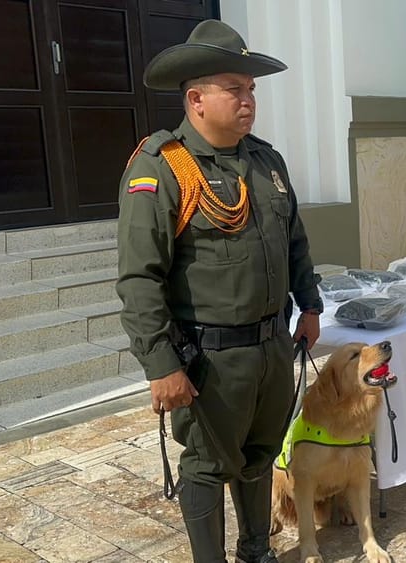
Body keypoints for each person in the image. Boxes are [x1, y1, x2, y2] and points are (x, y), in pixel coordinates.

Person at [115, 20, 323, 563]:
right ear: (196, 98)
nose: (248, 98)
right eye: (235, 88)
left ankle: (256, 550)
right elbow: (140, 278)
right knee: (208, 463)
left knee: (259, 454)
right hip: (211, 357)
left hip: (273, 345)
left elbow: (294, 241)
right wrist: (161, 364)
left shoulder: (265, 161)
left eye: (251, 88)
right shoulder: (161, 169)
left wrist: (311, 304)